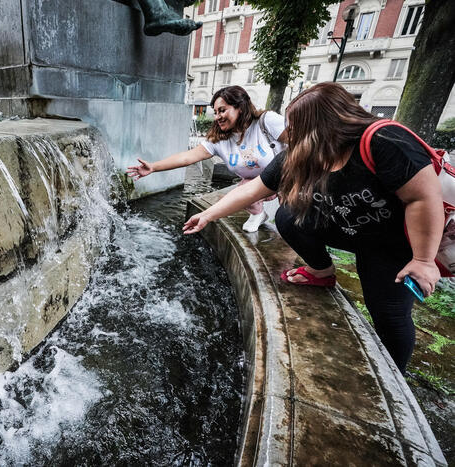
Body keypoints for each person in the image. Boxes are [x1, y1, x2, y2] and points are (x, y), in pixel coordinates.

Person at [182, 82, 443, 374]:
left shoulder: (384, 141)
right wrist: (208, 216)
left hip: (392, 244)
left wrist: (423, 260)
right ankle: (321, 271)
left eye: (295, 129)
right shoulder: (301, 155)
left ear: (323, 125)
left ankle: (395, 375)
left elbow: (422, 198)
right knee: (289, 216)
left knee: (388, 314)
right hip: (349, 228)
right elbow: (252, 190)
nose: (288, 135)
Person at [127, 85, 286, 232]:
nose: (217, 117)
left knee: (290, 216)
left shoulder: (266, 122)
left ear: (240, 107)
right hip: (258, 186)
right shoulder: (220, 140)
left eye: (222, 110)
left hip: (286, 178)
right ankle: (258, 213)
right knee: (243, 189)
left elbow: (302, 145)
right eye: (216, 112)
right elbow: (187, 157)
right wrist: (154, 167)